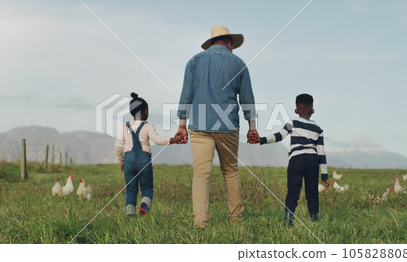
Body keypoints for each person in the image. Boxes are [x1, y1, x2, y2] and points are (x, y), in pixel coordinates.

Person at [176, 26, 259, 228]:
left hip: (200, 125)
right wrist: (252, 126)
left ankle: (200, 222)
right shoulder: (238, 63)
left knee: (201, 174)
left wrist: (181, 125)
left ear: (212, 42)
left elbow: (186, 94)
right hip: (228, 125)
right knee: (230, 171)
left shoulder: (194, 61)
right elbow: (247, 99)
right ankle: (236, 219)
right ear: (229, 43)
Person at [258, 93, 329, 226]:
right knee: (312, 193)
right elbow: (321, 153)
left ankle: (288, 220)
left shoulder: (292, 122)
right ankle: (314, 220)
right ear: (312, 111)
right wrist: (324, 175)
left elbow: (279, 136)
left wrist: (262, 140)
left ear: (296, 111)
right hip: (313, 160)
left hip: (296, 160)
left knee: (293, 191)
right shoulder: (318, 128)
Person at [115, 92, 182, 217]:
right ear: (145, 111)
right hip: (144, 162)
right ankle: (144, 207)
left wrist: (121, 161)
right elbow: (157, 139)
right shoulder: (148, 126)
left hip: (129, 162)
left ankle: (130, 216)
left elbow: (118, 146)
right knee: (147, 188)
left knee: (130, 190)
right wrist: (173, 140)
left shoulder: (124, 127)